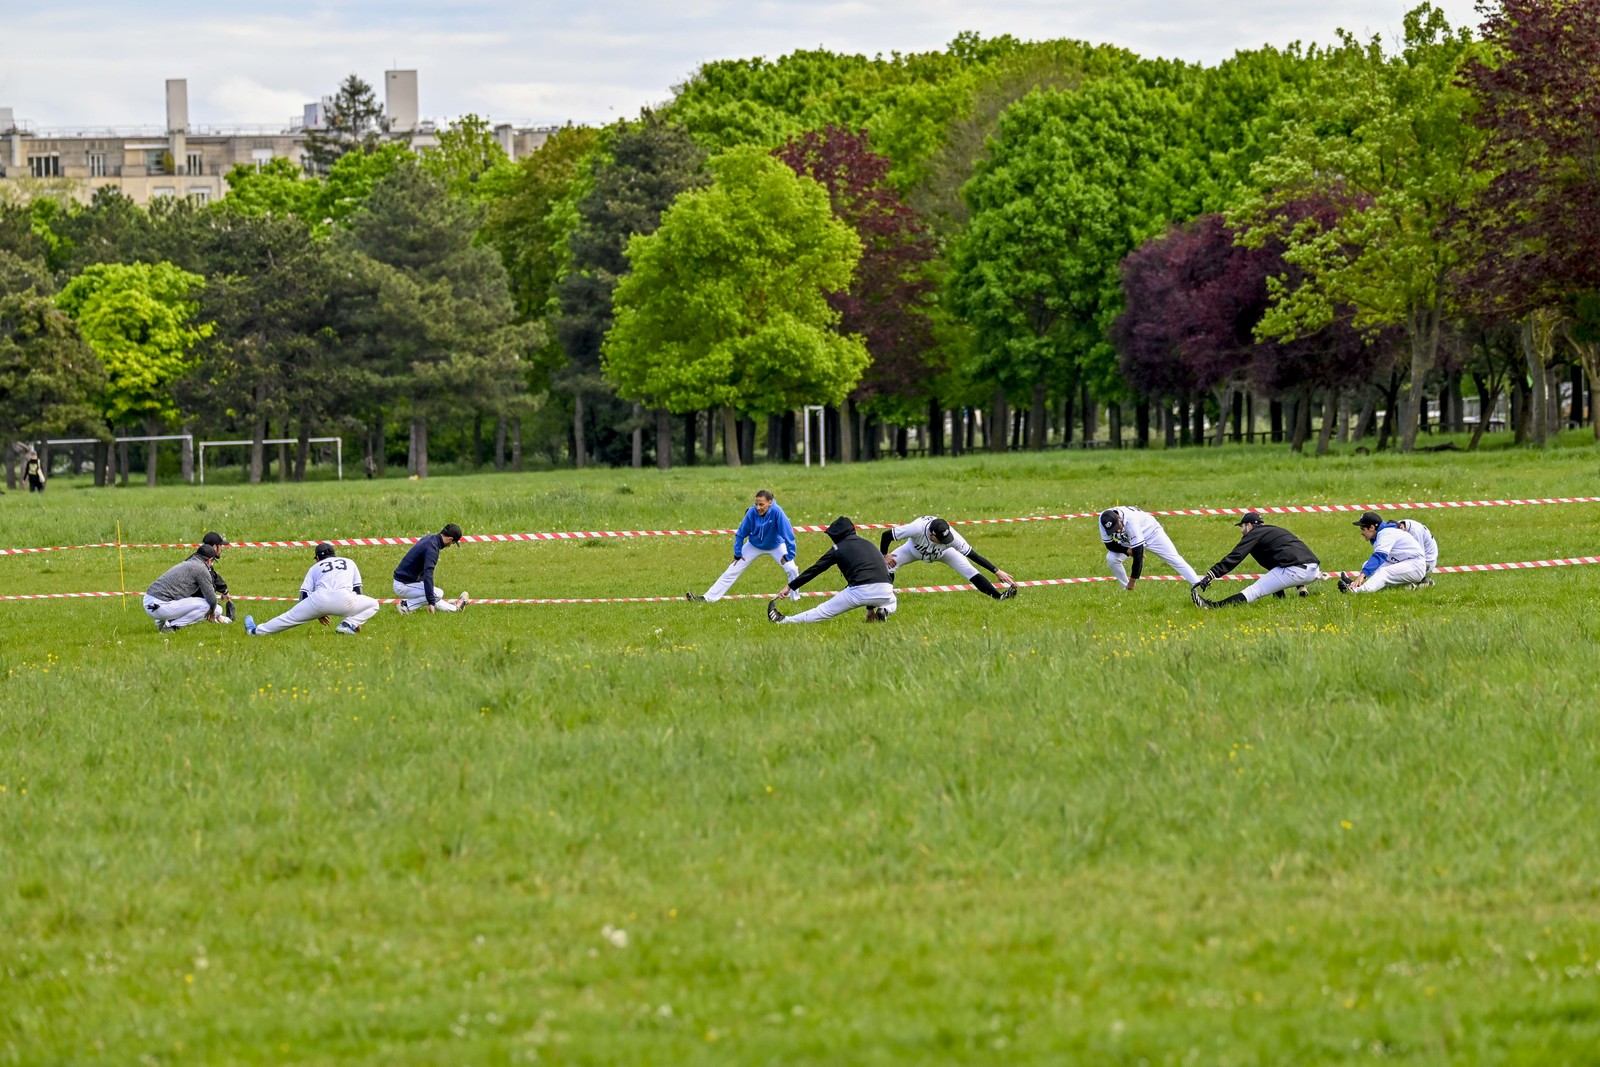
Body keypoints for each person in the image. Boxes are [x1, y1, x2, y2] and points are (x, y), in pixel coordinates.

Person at [770, 516, 897, 624]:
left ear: (837, 535)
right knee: (892, 602)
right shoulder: (869, 544)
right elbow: (874, 575)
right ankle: (884, 610)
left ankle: (782, 620)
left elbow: (815, 569)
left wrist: (790, 586)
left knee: (822, 611)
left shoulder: (838, 548)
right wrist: (870, 610)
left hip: (859, 591)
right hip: (886, 590)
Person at [1191, 511, 1322, 608]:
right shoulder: (1274, 530)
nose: (1241, 531)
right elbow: (1281, 559)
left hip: (1296, 571)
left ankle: (1211, 607)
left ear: (1249, 526)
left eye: (1241, 526)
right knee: (1275, 575)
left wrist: (1211, 574)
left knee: (1253, 592)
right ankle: (1282, 600)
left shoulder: (1253, 534)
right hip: (1314, 571)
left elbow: (1236, 556)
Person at [688, 489, 800, 603]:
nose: (758, 507)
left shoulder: (777, 512)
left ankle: (795, 599)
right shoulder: (751, 512)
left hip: (776, 545)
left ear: (770, 502)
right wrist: (737, 554)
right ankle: (707, 598)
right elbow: (740, 534)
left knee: (792, 569)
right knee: (732, 569)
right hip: (754, 545)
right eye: (756, 504)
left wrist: (789, 555)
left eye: (761, 504)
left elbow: (788, 535)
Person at [245, 543, 380, 636]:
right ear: (334, 554)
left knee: (287, 618)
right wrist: (354, 620)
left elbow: (304, 594)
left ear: (318, 558)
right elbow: (357, 592)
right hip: (345, 599)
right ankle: (347, 625)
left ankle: (255, 632)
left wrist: (315, 612)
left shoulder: (315, 567)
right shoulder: (349, 562)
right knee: (374, 604)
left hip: (318, 600)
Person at [879, 516, 1018, 600]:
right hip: (912, 550)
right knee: (887, 566)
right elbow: (886, 535)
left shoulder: (952, 538)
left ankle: (999, 597)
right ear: (931, 535)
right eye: (942, 539)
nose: (947, 540)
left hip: (944, 553)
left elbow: (973, 555)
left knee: (970, 570)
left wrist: (996, 571)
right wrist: (884, 555)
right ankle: (886, 601)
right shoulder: (916, 528)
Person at [1098, 506, 1201, 590]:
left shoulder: (1130, 521)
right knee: (1112, 558)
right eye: (1113, 530)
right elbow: (1109, 544)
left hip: (1152, 533)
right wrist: (1127, 550)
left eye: (1118, 527)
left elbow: (1138, 554)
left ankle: (1199, 584)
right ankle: (1127, 589)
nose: (1118, 531)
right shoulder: (1103, 520)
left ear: (1119, 518)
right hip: (1128, 539)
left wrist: (1133, 581)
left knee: (1174, 559)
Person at [1337, 511, 1427, 593]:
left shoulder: (1386, 533)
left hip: (1416, 565)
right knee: (1367, 565)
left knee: (1384, 572)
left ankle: (1355, 591)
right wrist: (1362, 575)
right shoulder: (1382, 533)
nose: (1361, 532)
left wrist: (1362, 575)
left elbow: (1379, 556)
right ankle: (1355, 585)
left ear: (1372, 527)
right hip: (1404, 562)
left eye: (1362, 529)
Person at [143, 544, 222, 632]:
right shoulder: (201, 568)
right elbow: (212, 599)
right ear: (209, 560)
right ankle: (173, 627)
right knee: (215, 608)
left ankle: (162, 628)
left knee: (175, 598)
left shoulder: (188, 563)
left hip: (148, 601)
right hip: (161, 606)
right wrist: (212, 611)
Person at [392, 522, 469, 614]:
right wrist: (431, 603)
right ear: (450, 539)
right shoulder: (432, 549)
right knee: (437, 594)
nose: (450, 545)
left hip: (408, 581)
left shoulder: (430, 539)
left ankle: (455, 609)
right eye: (452, 543)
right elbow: (428, 574)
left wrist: (431, 598)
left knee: (433, 595)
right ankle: (406, 606)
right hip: (403, 584)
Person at [187, 532, 235, 620]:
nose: (222, 549)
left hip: (188, 600)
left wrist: (224, 590)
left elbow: (213, 576)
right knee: (217, 609)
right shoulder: (202, 563)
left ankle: (226, 620)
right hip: (186, 601)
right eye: (220, 546)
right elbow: (206, 586)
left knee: (215, 609)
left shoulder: (201, 558)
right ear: (214, 547)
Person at [1395, 517, 1439, 586]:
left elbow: (1419, 556)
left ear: (1402, 527)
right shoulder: (1398, 525)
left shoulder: (1415, 532)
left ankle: (1422, 581)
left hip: (1427, 561)